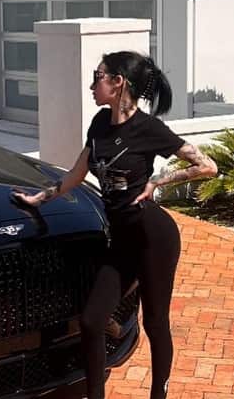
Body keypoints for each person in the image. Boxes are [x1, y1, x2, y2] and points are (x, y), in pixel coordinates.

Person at [12, 51, 217, 399]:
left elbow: (207, 166)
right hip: (121, 239)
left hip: (155, 237)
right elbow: (77, 174)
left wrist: (158, 182)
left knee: (154, 322)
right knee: (92, 321)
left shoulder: (148, 128)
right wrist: (39, 199)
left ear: (118, 82)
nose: (92, 85)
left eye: (98, 76)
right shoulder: (99, 123)